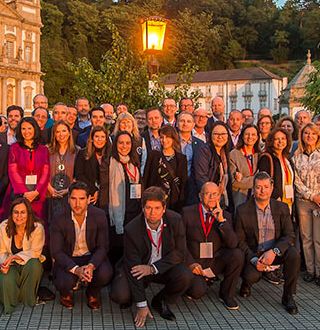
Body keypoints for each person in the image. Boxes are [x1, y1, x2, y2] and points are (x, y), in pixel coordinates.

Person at [110, 187, 192, 326]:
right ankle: (134, 296)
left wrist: (153, 268)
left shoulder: (175, 220)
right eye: (148, 208)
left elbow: (180, 253)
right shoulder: (132, 229)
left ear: (164, 208)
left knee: (185, 274)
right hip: (139, 268)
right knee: (120, 295)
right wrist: (141, 305)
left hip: (162, 267)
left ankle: (160, 301)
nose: (153, 213)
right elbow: (133, 266)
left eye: (157, 208)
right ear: (143, 208)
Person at [234, 172, 300, 314]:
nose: (262, 191)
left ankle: (288, 296)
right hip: (255, 254)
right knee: (252, 275)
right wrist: (253, 259)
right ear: (253, 188)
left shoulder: (282, 208)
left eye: (265, 187)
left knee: (294, 254)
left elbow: (290, 236)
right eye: (258, 187)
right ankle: (246, 284)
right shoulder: (242, 210)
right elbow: (239, 241)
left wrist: (274, 251)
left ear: (271, 188)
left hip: (274, 251)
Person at [50, 181, 113, 310]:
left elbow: (103, 246)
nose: (77, 204)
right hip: (69, 258)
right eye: (73, 199)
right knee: (64, 282)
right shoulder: (59, 217)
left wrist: (91, 265)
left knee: (105, 273)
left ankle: (92, 292)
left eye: (82, 199)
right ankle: (65, 294)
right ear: (68, 199)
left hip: (91, 256)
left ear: (89, 199)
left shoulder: (99, 215)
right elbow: (56, 251)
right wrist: (76, 270)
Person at [182, 182, 243, 310]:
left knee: (237, 254)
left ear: (220, 196)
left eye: (215, 194)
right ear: (200, 196)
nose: (211, 197)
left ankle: (227, 294)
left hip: (214, 260)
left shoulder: (225, 216)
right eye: (208, 194)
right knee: (197, 292)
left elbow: (233, 244)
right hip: (195, 262)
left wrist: (221, 222)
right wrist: (190, 263)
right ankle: (194, 284)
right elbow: (179, 243)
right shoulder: (187, 213)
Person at [292, 122, 320, 282]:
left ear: (318, 135)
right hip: (304, 201)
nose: (309, 136)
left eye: (312, 133)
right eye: (306, 133)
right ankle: (310, 270)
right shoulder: (296, 156)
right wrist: (311, 196)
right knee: (306, 237)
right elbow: (295, 180)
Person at [100, 131, 144, 265]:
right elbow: (104, 189)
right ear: (115, 145)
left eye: (127, 143)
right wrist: (105, 212)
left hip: (133, 211)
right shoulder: (108, 163)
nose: (124, 146)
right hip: (115, 211)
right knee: (117, 245)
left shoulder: (135, 162)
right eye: (120, 143)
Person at [0, 197, 45, 314]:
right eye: (16, 212)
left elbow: (36, 252)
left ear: (28, 214)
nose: (19, 216)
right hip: (10, 263)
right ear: (11, 214)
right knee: (4, 278)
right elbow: (0, 251)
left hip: (28, 264)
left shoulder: (37, 228)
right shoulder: (4, 226)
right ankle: (12, 302)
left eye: (23, 212)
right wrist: (5, 263)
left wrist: (14, 257)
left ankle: (28, 299)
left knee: (34, 264)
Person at [3, 117, 50, 222]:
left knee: (38, 224)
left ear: (35, 130)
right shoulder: (14, 148)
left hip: (38, 194)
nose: (26, 132)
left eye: (29, 128)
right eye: (23, 129)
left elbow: (46, 172)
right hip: (18, 193)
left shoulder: (44, 150)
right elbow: (13, 171)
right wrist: (24, 193)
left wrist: (37, 192)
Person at [143, 125, 188, 212]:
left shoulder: (181, 159)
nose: (164, 140)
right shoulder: (153, 155)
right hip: (154, 199)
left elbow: (183, 183)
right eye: (162, 137)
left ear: (173, 139)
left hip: (173, 200)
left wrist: (182, 204)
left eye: (168, 137)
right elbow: (146, 179)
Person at [47, 121, 78, 226]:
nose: (61, 134)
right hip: (50, 195)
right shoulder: (47, 150)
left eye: (64, 131)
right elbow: (42, 171)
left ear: (69, 133)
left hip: (69, 195)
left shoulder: (77, 151)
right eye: (58, 132)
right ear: (54, 134)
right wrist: (49, 188)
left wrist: (68, 189)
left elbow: (79, 175)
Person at [191, 121, 230, 207]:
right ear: (210, 135)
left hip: (221, 198)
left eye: (223, 134)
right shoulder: (203, 151)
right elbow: (201, 177)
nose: (220, 137)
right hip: (207, 199)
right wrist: (212, 196)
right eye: (216, 134)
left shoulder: (226, 153)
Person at [259, 127, 295, 208]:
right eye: (276, 139)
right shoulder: (266, 158)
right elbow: (265, 181)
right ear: (271, 141)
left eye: (283, 138)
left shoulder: (287, 158)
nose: (280, 141)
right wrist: (276, 197)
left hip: (289, 201)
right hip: (275, 202)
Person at [74, 125, 110, 205]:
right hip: (89, 195)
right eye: (97, 136)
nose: (99, 139)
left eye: (102, 137)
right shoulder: (82, 153)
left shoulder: (110, 155)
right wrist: (94, 190)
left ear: (106, 139)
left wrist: (101, 192)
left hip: (107, 196)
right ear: (92, 139)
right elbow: (79, 175)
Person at [229, 124, 259, 208]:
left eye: (253, 134)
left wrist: (243, 180)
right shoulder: (233, 154)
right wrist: (256, 179)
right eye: (247, 134)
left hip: (257, 199)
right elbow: (234, 182)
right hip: (240, 199)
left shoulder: (259, 155)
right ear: (242, 136)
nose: (250, 137)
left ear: (257, 137)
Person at [177, 111, 205, 180]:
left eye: (188, 121)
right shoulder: (171, 142)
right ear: (177, 124)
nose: (185, 124)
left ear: (193, 125)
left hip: (194, 183)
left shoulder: (201, 144)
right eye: (182, 121)